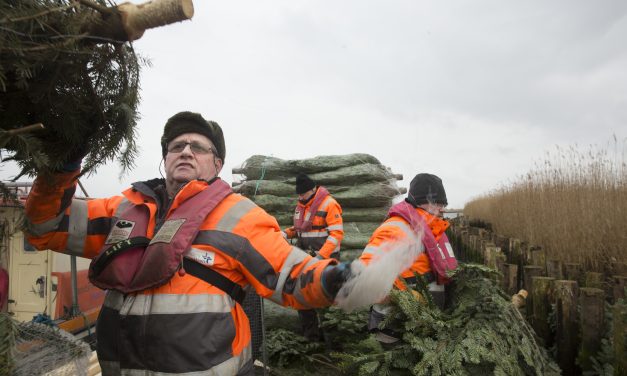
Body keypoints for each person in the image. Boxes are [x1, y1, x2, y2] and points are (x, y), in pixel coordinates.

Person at [24, 111, 351, 375]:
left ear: (217, 164)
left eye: (198, 147)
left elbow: (291, 277)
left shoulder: (241, 217)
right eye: (176, 146)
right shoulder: (123, 209)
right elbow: (45, 227)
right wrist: (60, 168)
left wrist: (338, 279)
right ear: (165, 159)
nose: (185, 151)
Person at [359, 173, 458, 345]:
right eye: (438, 203)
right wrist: (405, 297)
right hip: (396, 331)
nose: (443, 208)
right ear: (420, 201)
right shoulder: (395, 230)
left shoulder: (433, 231)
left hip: (422, 327)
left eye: (445, 203)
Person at [283, 173, 344, 341]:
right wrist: (285, 234)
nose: (300, 197)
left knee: (326, 297)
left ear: (313, 189)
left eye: (303, 194)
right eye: (298, 194)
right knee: (302, 296)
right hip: (305, 259)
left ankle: (332, 340)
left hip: (326, 260)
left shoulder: (329, 204)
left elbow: (336, 234)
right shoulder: (301, 206)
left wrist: (320, 256)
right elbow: (300, 229)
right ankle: (312, 338)